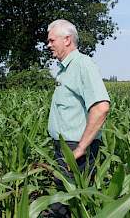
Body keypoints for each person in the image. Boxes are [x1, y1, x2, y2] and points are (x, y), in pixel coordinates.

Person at [47, 19, 110, 217]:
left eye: (51, 40)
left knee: (68, 205)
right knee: (64, 203)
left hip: (76, 150)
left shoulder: (83, 65)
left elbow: (101, 108)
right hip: (65, 147)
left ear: (67, 40)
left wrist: (80, 149)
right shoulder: (64, 69)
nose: (48, 45)